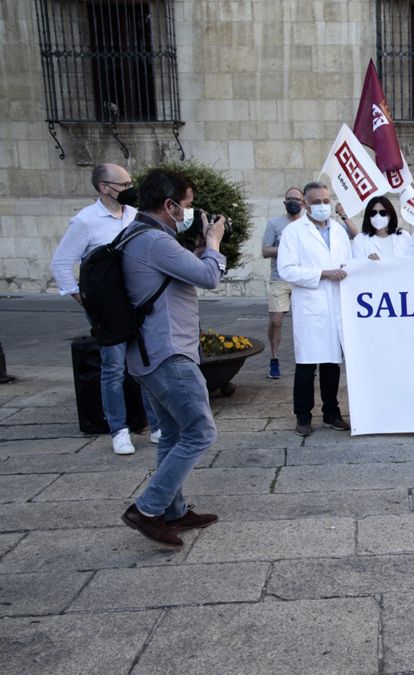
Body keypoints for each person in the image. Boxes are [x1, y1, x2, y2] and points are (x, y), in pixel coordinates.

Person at [118, 168, 227, 546]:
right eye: (186, 205)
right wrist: (214, 242)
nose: (188, 212)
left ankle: (174, 511)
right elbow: (209, 278)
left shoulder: (140, 236)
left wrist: (199, 251)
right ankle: (146, 509)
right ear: (168, 205)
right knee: (200, 432)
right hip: (169, 354)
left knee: (173, 435)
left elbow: (183, 273)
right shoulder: (154, 241)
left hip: (150, 353)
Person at [51, 163, 159, 454]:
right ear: (104, 187)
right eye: (124, 185)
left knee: (146, 363)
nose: (129, 189)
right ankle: (119, 430)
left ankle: (156, 425)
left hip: (137, 300)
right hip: (107, 305)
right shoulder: (85, 221)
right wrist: (85, 300)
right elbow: (61, 264)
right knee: (113, 367)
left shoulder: (135, 215)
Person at [277, 182, 352, 437]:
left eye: (326, 200)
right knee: (307, 366)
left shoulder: (339, 231)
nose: (323, 205)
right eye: (317, 201)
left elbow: (349, 263)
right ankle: (303, 416)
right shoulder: (294, 232)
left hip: (336, 303)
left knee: (332, 363)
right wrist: (322, 274)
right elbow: (287, 269)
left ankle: (332, 412)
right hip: (311, 305)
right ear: (306, 204)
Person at [261, 187, 305, 379]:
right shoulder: (274, 223)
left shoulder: (307, 224)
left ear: (303, 202)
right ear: (284, 202)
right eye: (289, 199)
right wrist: (287, 250)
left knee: (305, 323)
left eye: (297, 199)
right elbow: (265, 251)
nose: (293, 202)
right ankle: (274, 359)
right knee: (276, 321)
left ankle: (306, 361)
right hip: (280, 279)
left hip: (301, 280)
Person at [352, 195, 414, 260]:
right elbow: (358, 265)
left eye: (383, 212)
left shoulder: (404, 236)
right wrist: (371, 264)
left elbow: (411, 263)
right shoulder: (360, 240)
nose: (378, 216)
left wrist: (381, 265)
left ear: (390, 215)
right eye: (373, 213)